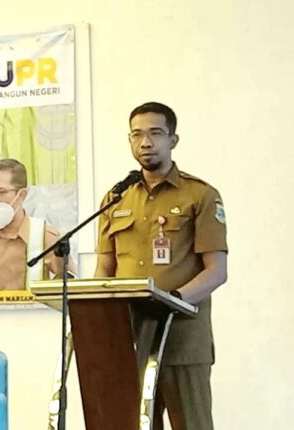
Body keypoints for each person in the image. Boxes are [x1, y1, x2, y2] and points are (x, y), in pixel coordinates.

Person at [94, 102, 228, 429]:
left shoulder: (200, 195)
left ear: (173, 140)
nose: (145, 143)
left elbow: (216, 271)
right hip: (130, 341)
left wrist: (173, 300)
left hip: (182, 339)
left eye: (155, 133)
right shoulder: (116, 198)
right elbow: (104, 271)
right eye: (137, 135)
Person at [0, 158, 74, 292]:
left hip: (34, 306)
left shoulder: (46, 237)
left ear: (22, 195)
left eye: (1, 192)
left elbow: (69, 288)